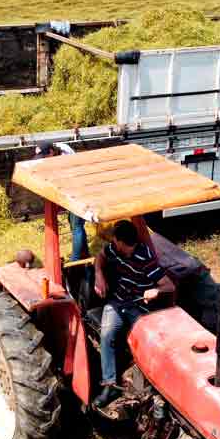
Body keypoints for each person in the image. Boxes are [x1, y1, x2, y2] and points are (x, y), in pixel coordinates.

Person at [92, 220, 174, 408]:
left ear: (121, 241)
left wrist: (156, 291)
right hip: (118, 301)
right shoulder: (114, 249)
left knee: (146, 340)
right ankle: (110, 384)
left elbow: (169, 285)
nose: (112, 241)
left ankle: (151, 384)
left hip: (138, 307)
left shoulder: (145, 257)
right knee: (107, 334)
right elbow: (101, 257)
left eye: (114, 239)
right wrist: (99, 275)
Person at [34, 141, 89, 263]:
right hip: (72, 188)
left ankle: (75, 260)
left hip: (78, 190)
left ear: (51, 152)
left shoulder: (63, 158)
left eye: (44, 156)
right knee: (73, 222)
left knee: (77, 226)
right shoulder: (59, 148)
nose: (42, 160)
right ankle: (85, 253)